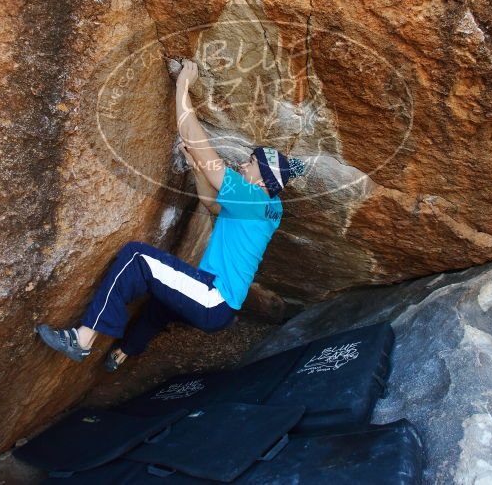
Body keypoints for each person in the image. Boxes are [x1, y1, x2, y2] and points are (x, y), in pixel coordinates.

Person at [36, 59, 306, 371]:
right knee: (162, 300)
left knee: (137, 257)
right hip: (219, 302)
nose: (242, 164)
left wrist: (182, 85)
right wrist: (198, 170)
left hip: (213, 298)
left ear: (262, 181)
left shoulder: (251, 197)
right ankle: (123, 353)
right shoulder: (272, 207)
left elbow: (194, 137)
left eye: (250, 163)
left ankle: (82, 340)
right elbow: (212, 206)